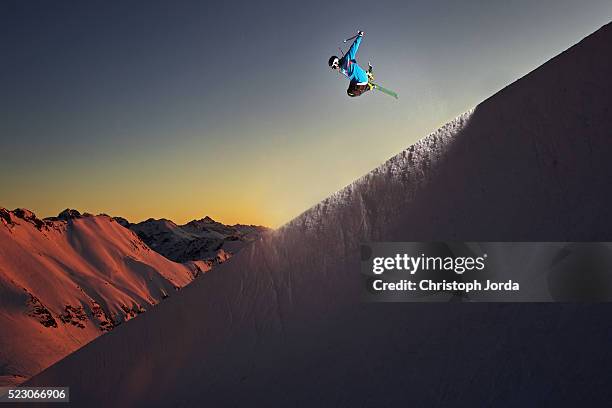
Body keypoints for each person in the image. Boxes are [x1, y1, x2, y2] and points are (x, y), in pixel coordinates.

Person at [328, 31, 373, 97]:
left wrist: (360, 36)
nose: (335, 68)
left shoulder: (347, 59)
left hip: (361, 81)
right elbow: (355, 69)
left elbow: (353, 48)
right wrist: (367, 73)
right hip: (355, 80)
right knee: (350, 85)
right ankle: (367, 75)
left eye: (334, 67)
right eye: (333, 68)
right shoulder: (341, 69)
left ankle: (368, 87)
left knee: (350, 93)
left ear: (336, 62)